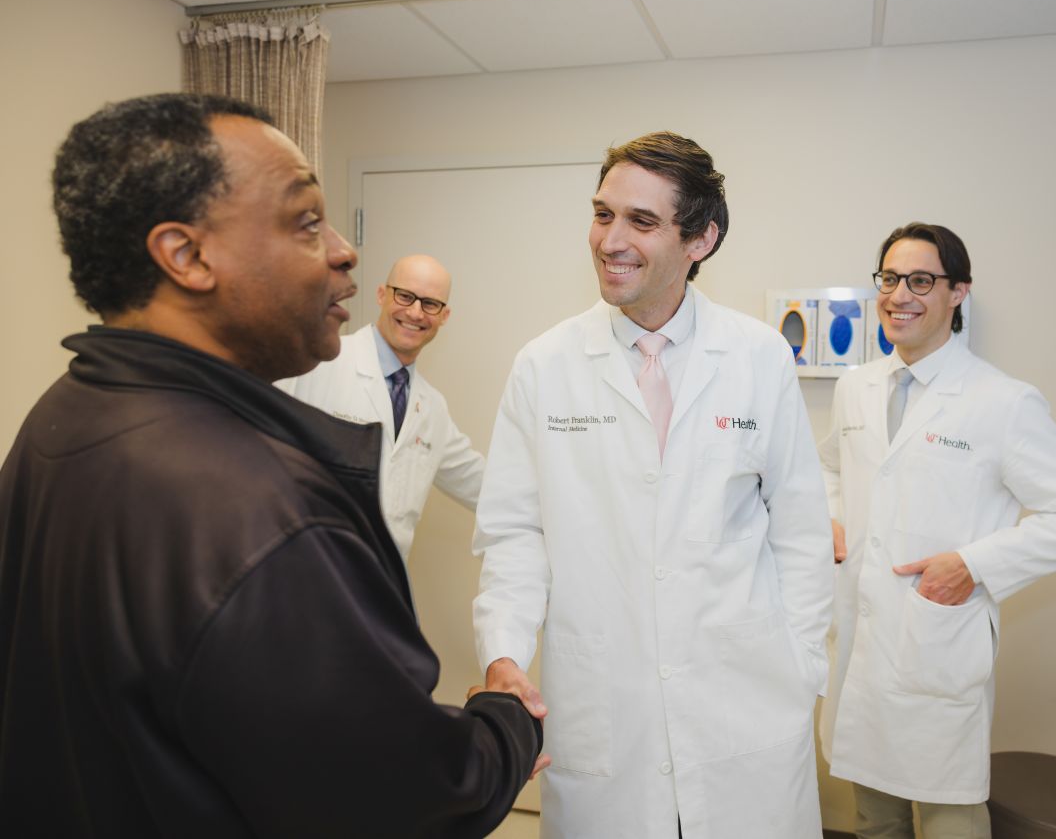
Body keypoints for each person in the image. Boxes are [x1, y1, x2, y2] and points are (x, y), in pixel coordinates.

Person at [0, 93, 544, 838]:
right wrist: (506, 722)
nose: (343, 251)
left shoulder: (66, 414)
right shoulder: (259, 511)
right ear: (188, 256)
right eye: (305, 221)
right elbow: (409, 796)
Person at [472, 132, 833, 839]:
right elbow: (516, 531)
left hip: (747, 695)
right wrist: (503, 653)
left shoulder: (757, 355)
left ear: (700, 239)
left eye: (641, 222)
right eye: (603, 214)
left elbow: (800, 527)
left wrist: (802, 668)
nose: (610, 240)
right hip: (604, 701)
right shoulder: (545, 365)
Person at [818, 222, 1056, 838]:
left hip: (935, 642)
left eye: (921, 280)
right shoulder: (857, 387)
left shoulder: (1002, 401)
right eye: (890, 279)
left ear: (958, 293)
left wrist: (974, 565)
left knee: (950, 816)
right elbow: (828, 467)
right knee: (874, 817)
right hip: (862, 642)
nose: (900, 294)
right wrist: (834, 517)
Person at [280, 253, 485, 558]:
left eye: (430, 304)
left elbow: (482, 484)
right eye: (404, 296)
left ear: (444, 316)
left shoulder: (432, 408)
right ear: (381, 294)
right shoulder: (318, 362)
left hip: (379, 585)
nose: (415, 313)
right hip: (304, 567)